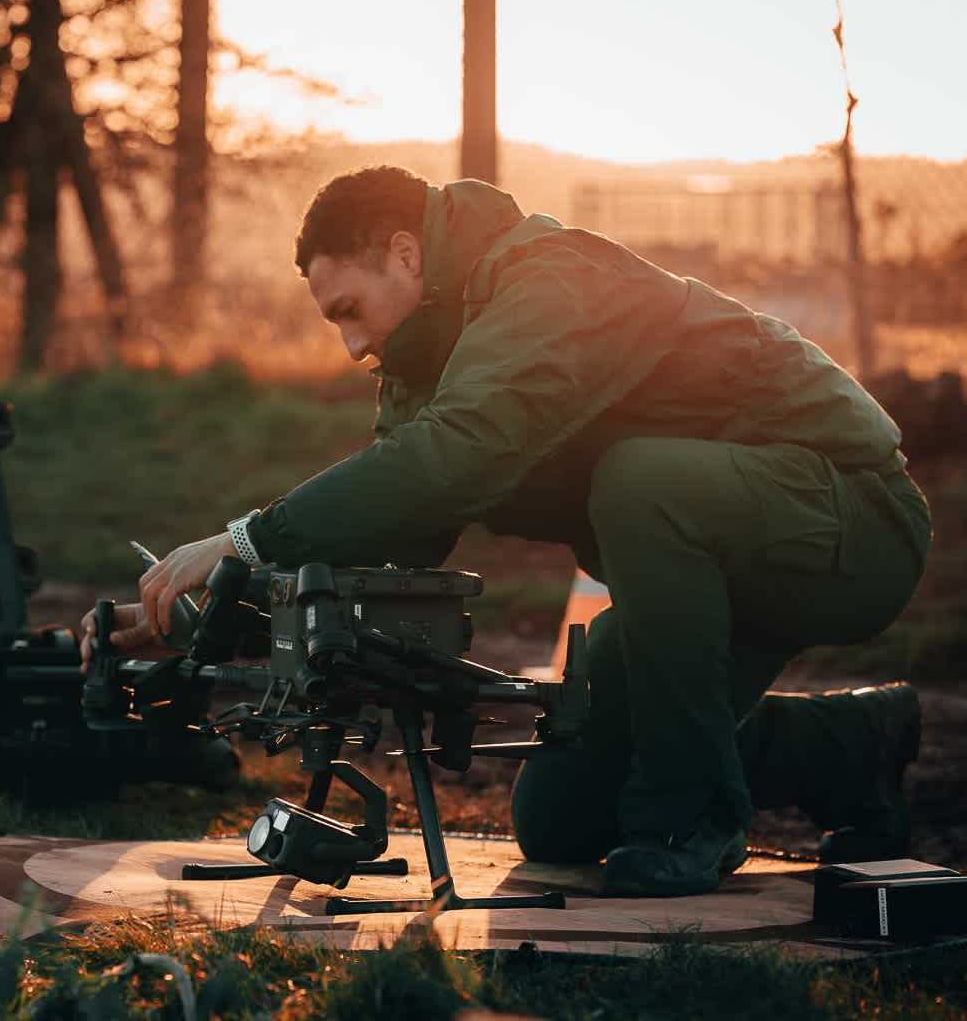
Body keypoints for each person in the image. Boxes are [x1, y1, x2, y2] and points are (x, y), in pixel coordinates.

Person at [80, 166, 931, 898]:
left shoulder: (546, 281)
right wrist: (203, 621)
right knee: (557, 820)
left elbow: (454, 456)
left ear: (405, 255)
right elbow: (396, 538)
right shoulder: (433, 356)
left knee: (642, 482)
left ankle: (695, 825)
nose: (348, 345)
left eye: (350, 309)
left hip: (852, 518)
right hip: (702, 574)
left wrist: (246, 539)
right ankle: (848, 750)